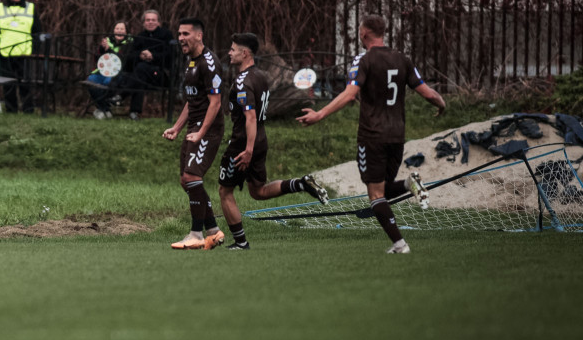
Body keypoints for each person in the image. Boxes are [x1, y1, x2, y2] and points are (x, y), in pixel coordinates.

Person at [297, 14, 446, 254]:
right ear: (383, 33)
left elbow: (348, 94)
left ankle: (400, 244)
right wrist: (441, 104)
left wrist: (320, 115)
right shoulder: (402, 59)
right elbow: (428, 93)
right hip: (397, 136)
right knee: (382, 189)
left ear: (364, 33)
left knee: (375, 194)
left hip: (372, 136)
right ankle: (409, 184)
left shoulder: (363, 60)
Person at [217, 33, 329, 250]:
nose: (229, 53)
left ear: (245, 53)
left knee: (225, 191)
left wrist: (247, 150)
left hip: (243, 144)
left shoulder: (243, 81)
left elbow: (249, 116)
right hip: (261, 139)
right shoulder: (261, 76)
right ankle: (301, 183)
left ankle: (240, 242)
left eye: (233, 49)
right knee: (257, 191)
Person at [162, 17, 225, 250]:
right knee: (186, 181)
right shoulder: (191, 62)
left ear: (199, 35)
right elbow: (193, 100)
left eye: (185, 34)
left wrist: (201, 133)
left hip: (207, 128)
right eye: (179, 34)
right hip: (194, 126)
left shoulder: (209, 63)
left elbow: (215, 103)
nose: (180, 38)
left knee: (191, 178)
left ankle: (196, 234)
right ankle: (214, 231)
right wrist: (177, 127)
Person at [0, 0, 40, 113]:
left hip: (25, 53)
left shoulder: (30, 8)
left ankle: (28, 110)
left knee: (25, 84)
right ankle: (11, 110)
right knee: (8, 84)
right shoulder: (0, 8)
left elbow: (37, 31)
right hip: (5, 53)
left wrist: (35, 49)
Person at [115, 9, 174, 120]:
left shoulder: (166, 35)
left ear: (158, 22)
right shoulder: (139, 37)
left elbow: (171, 56)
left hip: (160, 75)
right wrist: (140, 55)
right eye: (147, 20)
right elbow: (130, 58)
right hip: (142, 76)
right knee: (140, 75)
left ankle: (121, 95)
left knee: (140, 70)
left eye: (153, 20)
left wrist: (153, 56)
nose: (150, 22)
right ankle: (134, 113)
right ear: (143, 23)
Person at [86, 21, 133, 119]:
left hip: (118, 74)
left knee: (107, 82)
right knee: (90, 81)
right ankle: (105, 109)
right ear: (113, 31)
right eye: (117, 29)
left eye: (122, 29)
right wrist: (102, 49)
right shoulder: (106, 42)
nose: (119, 31)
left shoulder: (129, 44)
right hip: (102, 71)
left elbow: (122, 61)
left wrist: (109, 50)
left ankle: (103, 109)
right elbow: (98, 59)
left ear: (126, 32)